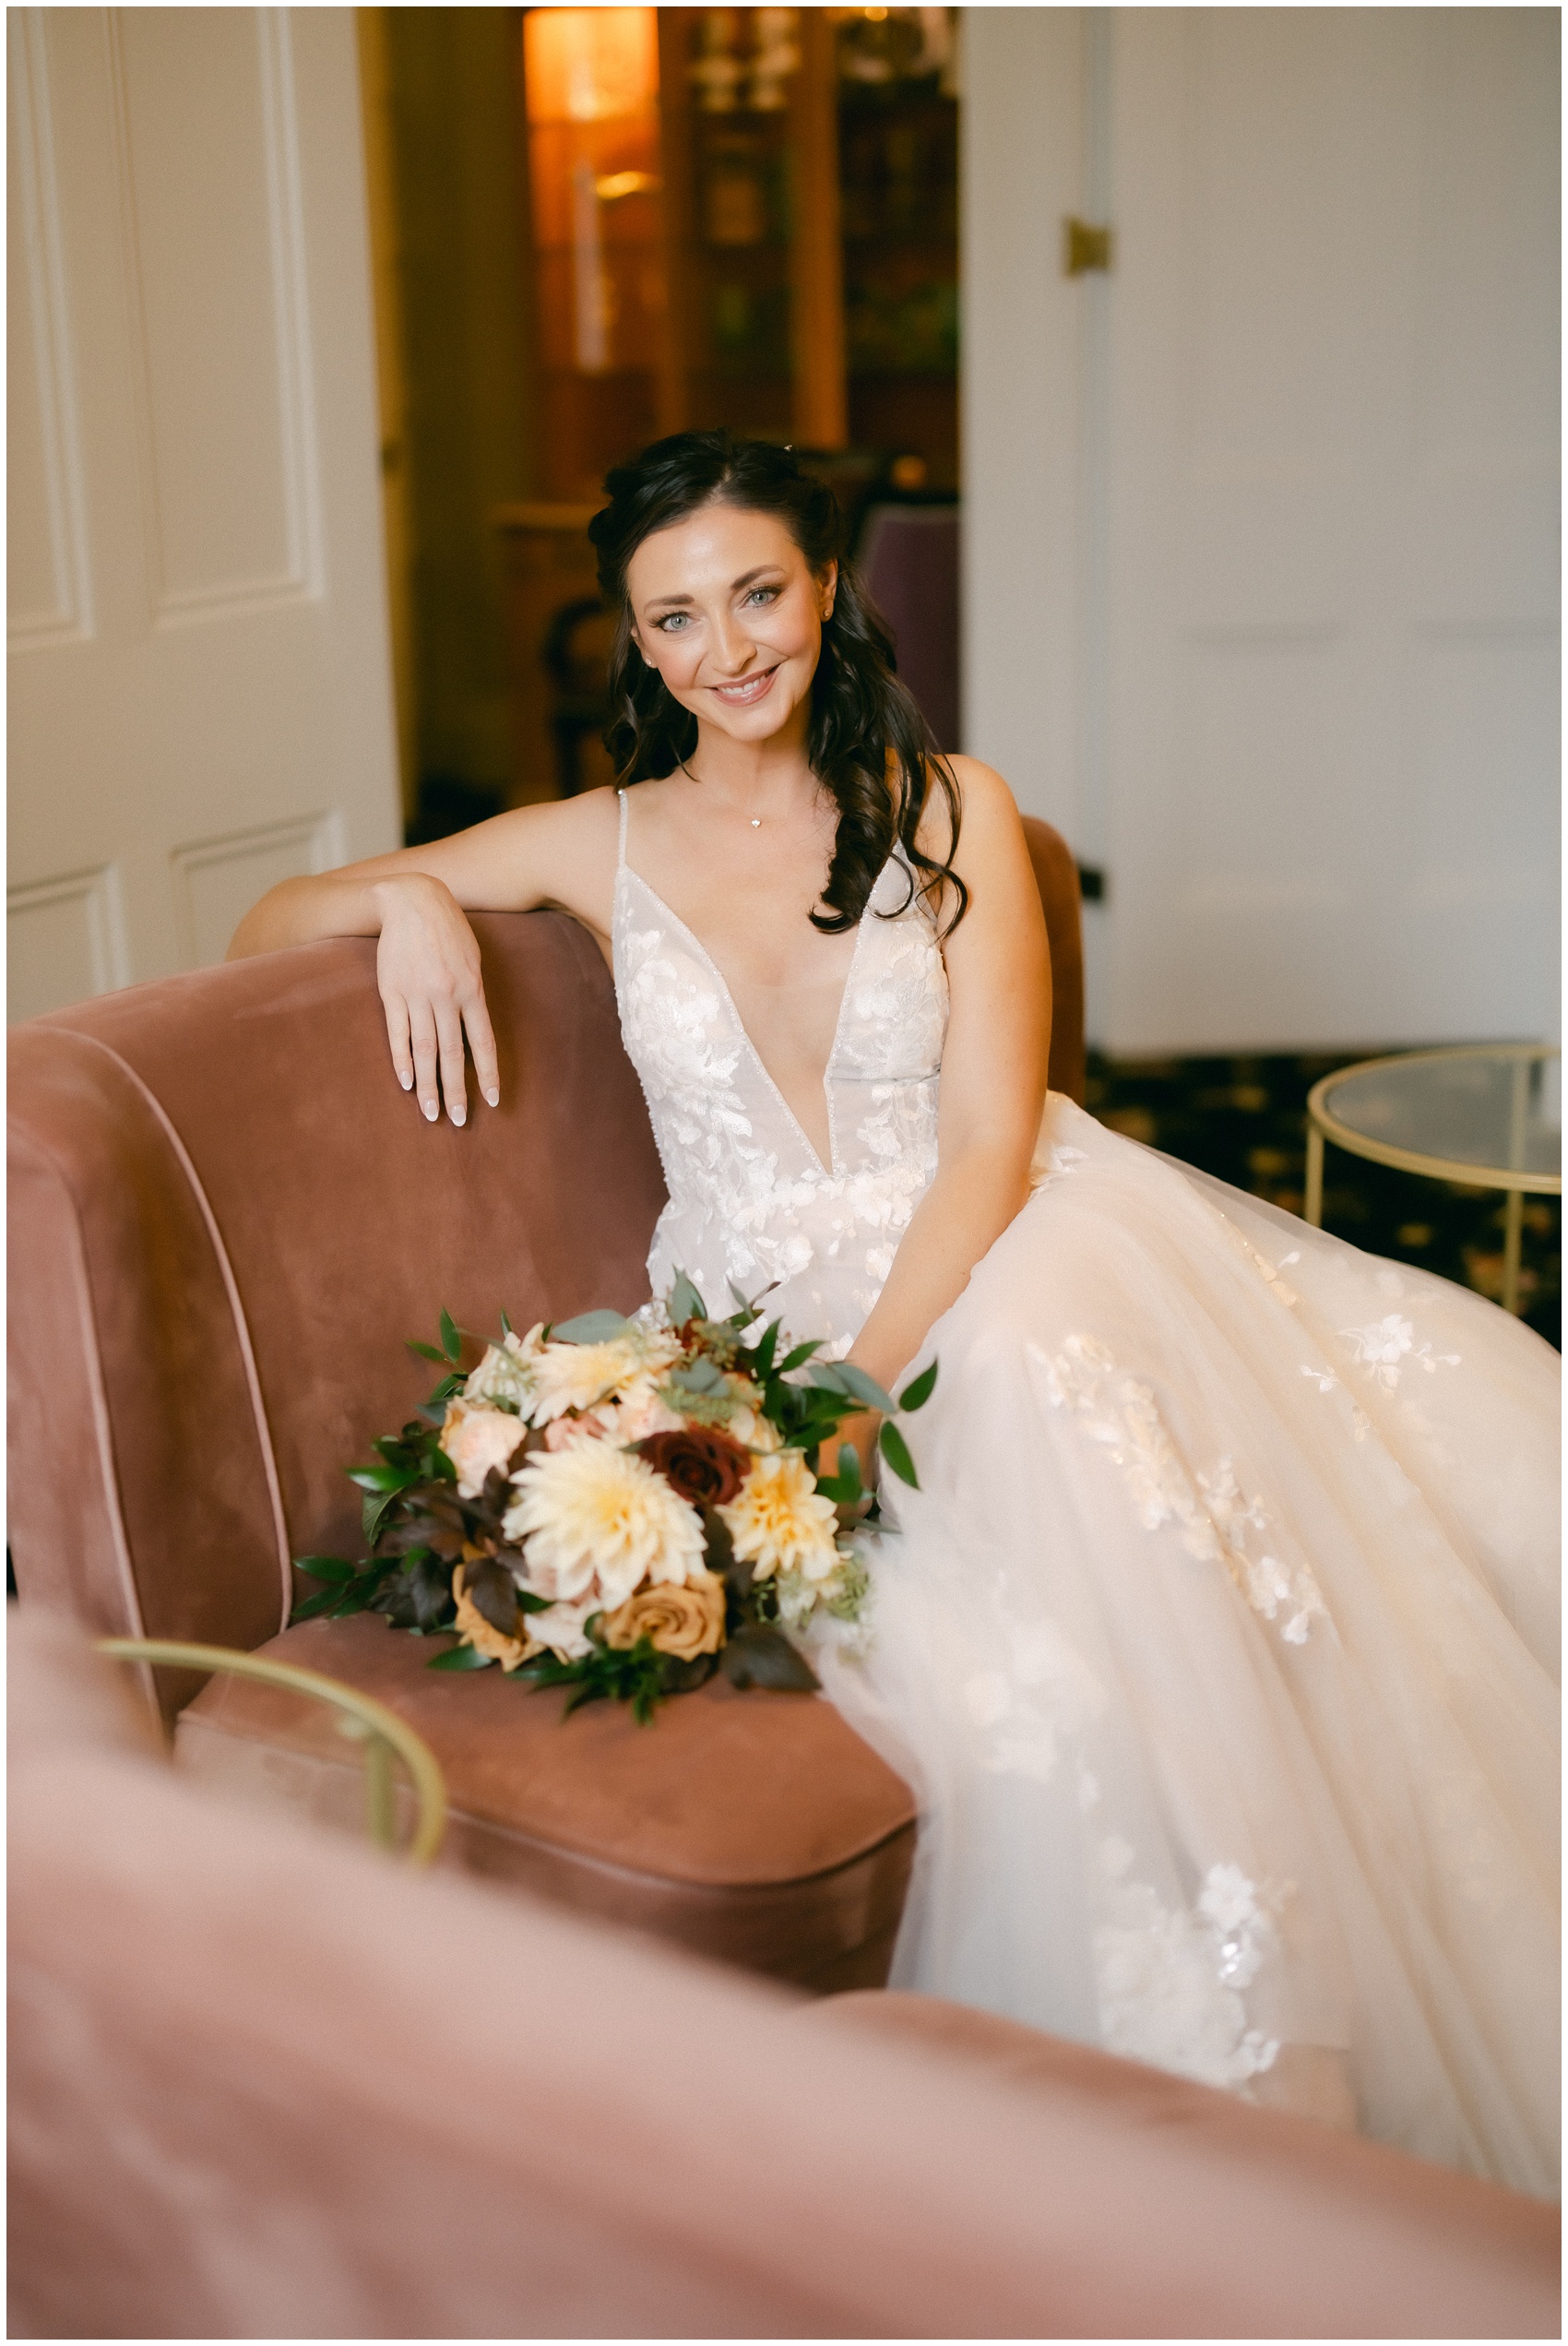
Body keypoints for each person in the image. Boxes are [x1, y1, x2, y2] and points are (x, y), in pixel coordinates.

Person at [231, 431, 1559, 2196]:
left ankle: (1295, 2057)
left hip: (1002, 1235)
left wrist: (871, 1374)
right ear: (637, 644)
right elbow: (264, 920)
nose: (728, 649)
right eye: (676, 616)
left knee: (1026, 1368)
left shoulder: (954, 809)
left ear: (827, 587)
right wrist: (403, 897)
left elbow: (994, 1136)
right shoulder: (591, 840)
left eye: (757, 592)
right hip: (754, 1291)